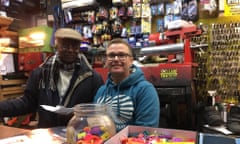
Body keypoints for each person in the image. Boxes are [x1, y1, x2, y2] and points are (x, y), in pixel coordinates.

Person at [0, 28, 104, 128]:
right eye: (65, 46)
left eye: (74, 46)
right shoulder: (40, 74)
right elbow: (28, 103)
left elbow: (98, 111)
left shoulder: (92, 78)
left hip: (79, 137)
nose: (70, 50)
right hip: (48, 137)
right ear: (56, 45)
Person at [94, 38, 160, 131]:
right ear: (106, 60)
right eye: (111, 55)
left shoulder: (145, 90)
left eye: (122, 55)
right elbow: (95, 127)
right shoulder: (101, 91)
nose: (116, 59)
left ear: (131, 60)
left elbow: (146, 132)